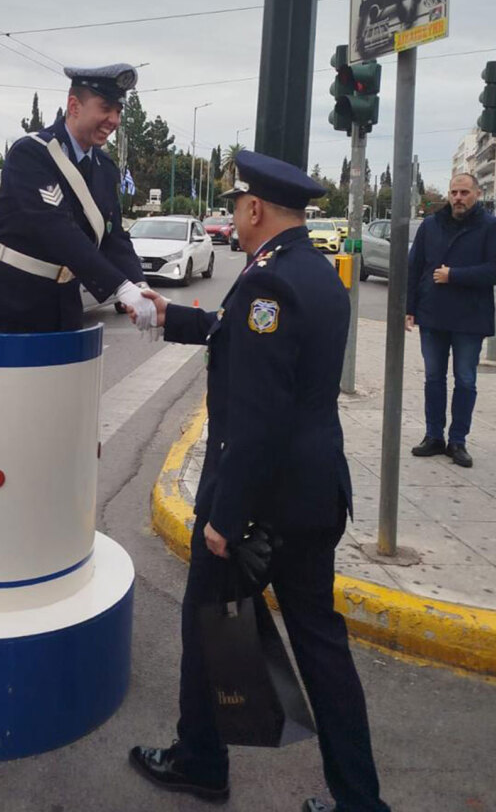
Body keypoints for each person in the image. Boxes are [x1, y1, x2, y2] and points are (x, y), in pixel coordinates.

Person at [127, 150, 390, 812]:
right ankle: (360, 802)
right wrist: (167, 315)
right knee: (322, 648)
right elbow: (233, 336)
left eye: (236, 206)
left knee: (205, 624)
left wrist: (225, 517)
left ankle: (200, 763)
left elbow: (258, 416)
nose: (233, 216)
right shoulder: (313, 272)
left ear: (253, 209)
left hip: (261, 506)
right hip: (313, 496)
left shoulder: (268, 284)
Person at [0, 63, 154, 332]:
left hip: (65, 301)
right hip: (12, 300)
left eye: (118, 112)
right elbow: (56, 229)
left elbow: (113, 236)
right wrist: (119, 286)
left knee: (66, 374)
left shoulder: (105, 167)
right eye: (106, 108)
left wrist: (139, 286)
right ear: (74, 106)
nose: (115, 120)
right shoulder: (31, 154)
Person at [406, 173, 496, 468]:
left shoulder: (492, 227)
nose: (458, 197)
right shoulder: (431, 225)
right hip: (432, 314)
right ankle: (433, 436)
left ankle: (458, 440)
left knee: (465, 380)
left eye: (464, 192)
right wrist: (409, 307)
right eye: (454, 192)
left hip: (470, 317)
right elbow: (415, 267)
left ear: (477, 194)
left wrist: (455, 275)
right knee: (433, 378)